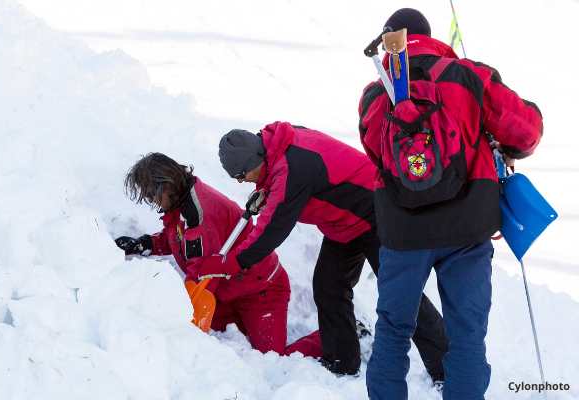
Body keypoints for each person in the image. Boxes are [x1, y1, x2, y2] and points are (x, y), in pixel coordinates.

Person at [357, 8, 543, 400]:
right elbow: (526, 131)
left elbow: (377, 153)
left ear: (390, 41)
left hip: (403, 231)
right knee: (467, 336)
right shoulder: (466, 76)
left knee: (392, 330)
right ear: (429, 35)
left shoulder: (374, 96)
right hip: (467, 226)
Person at [200, 123, 450, 379]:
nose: (240, 180)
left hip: (379, 214)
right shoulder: (276, 146)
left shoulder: (293, 168)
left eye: (241, 173)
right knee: (329, 286)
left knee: (403, 296)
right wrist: (267, 189)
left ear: (256, 158)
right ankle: (342, 361)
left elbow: (268, 235)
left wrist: (225, 265)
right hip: (346, 222)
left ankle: (448, 371)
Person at [114, 152, 322, 357]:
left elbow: (202, 273)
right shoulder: (182, 200)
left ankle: (334, 337)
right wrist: (144, 244)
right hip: (227, 294)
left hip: (260, 292)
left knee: (274, 358)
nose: (152, 202)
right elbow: (180, 237)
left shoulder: (201, 212)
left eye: (151, 195)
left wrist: (185, 332)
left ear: (167, 185)